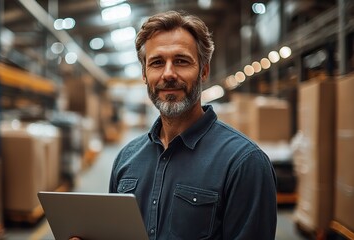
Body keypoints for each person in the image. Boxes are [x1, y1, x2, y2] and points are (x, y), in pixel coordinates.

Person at [72, 10, 277, 240]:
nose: (168, 74)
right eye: (157, 63)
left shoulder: (244, 163)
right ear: (144, 74)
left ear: (204, 70)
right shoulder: (126, 159)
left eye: (181, 61)